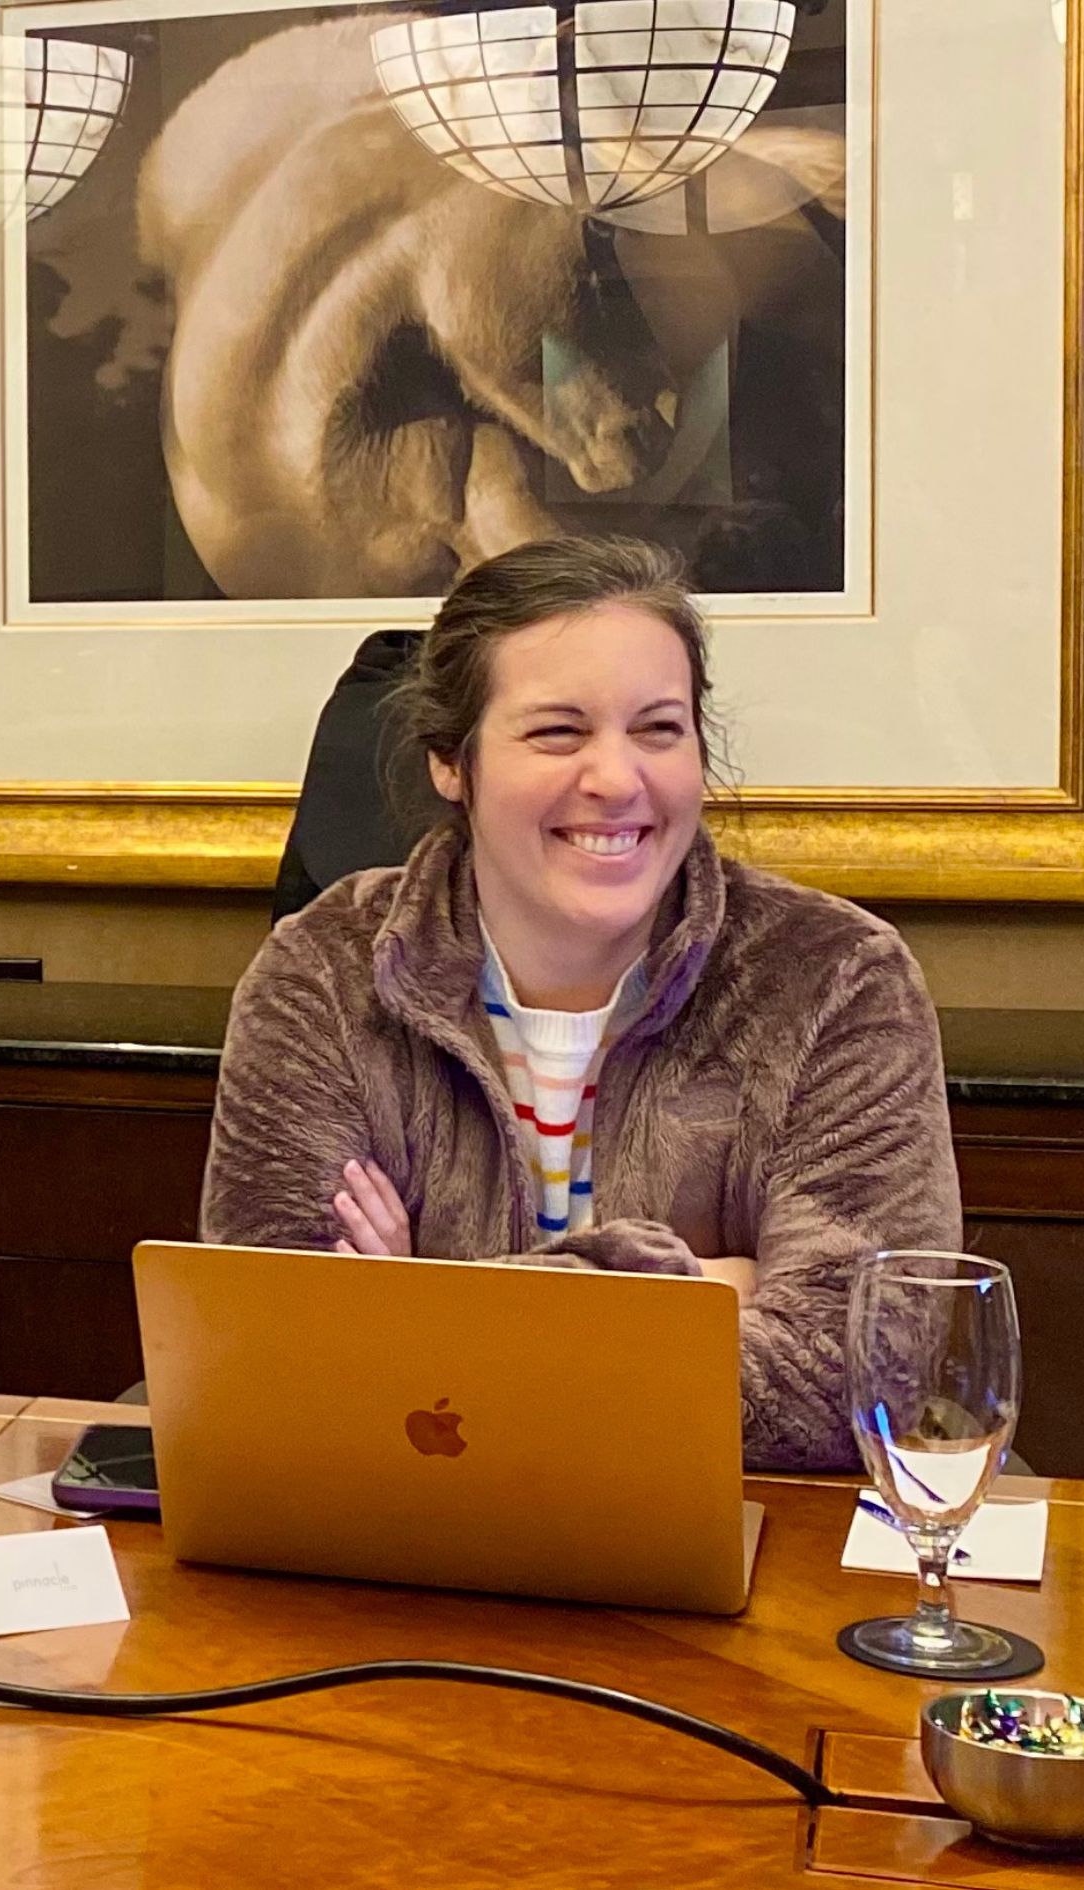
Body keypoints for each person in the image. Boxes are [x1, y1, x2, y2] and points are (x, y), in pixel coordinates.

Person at [200, 535, 957, 1470]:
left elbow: (851, 1378)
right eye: (558, 731)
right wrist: (698, 1287)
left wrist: (423, 1309)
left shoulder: (836, 977)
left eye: (658, 729)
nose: (615, 779)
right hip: (409, 1543)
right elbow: (278, 1354)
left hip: (738, 1553)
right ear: (451, 758)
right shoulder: (322, 970)